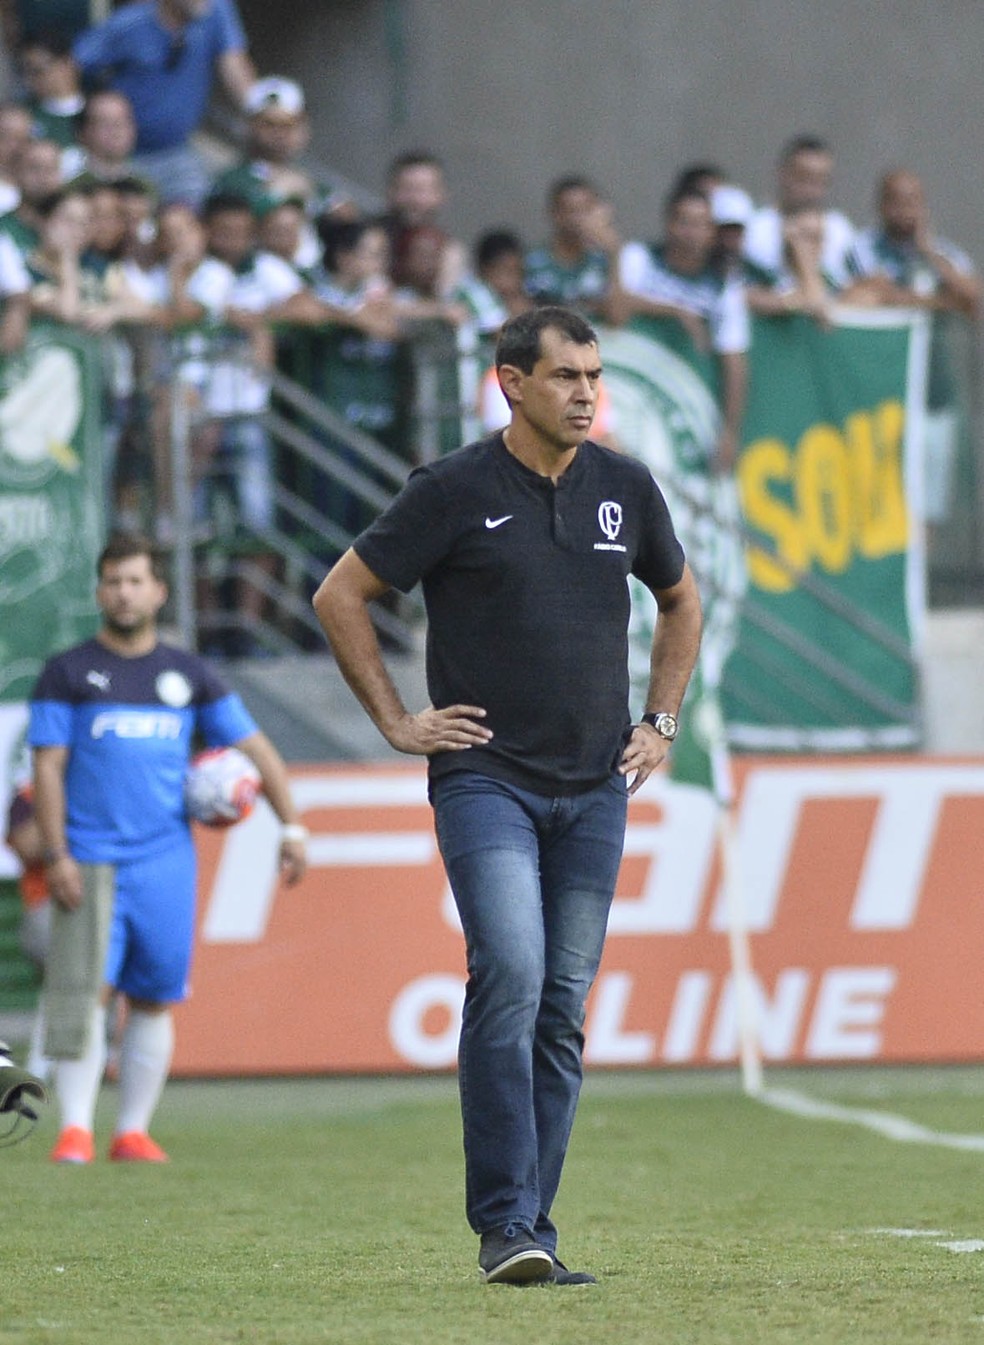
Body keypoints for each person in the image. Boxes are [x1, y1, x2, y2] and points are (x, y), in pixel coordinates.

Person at [311, 305, 702, 1285]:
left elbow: (681, 600)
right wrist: (397, 720)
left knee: (562, 1005)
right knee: (514, 972)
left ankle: (532, 1225)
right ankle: (504, 1224)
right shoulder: (451, 488)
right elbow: (340, 594)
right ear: (511, 383)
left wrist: (660, 721)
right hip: (486, 778)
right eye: (567, 375)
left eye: (595, 376)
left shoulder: (626, 487)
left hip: (597, 785)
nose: (586, 394)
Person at [29, 530, 308, 1164]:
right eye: (113, 582)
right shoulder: (67, 673)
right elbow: (47, 768)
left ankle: (132, 1131)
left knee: (154, 996)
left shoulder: (189, 675)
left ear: (158, 591)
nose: (123, 593)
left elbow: (257, 750)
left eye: (135, 581)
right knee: (85, 994)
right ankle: (75, 1130)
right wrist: (58, 854)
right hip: (90, 859)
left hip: (165, 863)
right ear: (99, 592)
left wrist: (291, 826)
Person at [845, 168, 981, 538]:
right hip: (883, 397)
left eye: (913, 201)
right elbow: (877, 295)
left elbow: (972, 299)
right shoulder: (863, 248)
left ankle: (920, 571)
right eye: (897, 201)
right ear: (881, 205)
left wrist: (927, 252)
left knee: (929, 507)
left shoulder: (942, 254)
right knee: (884, 499)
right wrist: (941, 303)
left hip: (935, 395)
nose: (905, 210)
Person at [607, 185, 749, 472]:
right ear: (668, 223)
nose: (691, 232)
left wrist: (729, 433)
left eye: (701, 224)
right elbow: (614, 309)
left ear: (712, 231)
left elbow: (733, 362)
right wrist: (675, 310)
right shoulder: (640, 258)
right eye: (684, 222)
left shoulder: (723, 286)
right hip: (630, 393)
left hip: (686, 405)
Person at [72, 0, 255, 207]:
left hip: (178, 150)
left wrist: (259, 111)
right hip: (125, 157)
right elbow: (73, 64)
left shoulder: (215, 9)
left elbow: (234, 64)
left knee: (196, 210)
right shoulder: (129, 24)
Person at [744, 133, 856, 290]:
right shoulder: (754, 230)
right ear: (783, 174)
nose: (811, 190)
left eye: (820, 181)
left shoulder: (840, 231)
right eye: (803, 178)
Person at [524, 175, 612, 319]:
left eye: (587, 210)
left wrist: (615, 252)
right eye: (573, 210)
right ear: (554, 214)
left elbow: (618, 317)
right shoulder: (530, 262)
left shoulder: (605, 260)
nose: (581, 219)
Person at [16, 29, 85, 148]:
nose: (28, 80)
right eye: (24, 73)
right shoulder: (21, 117)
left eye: (37, 71)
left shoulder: (101, 110)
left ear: (66, 64)